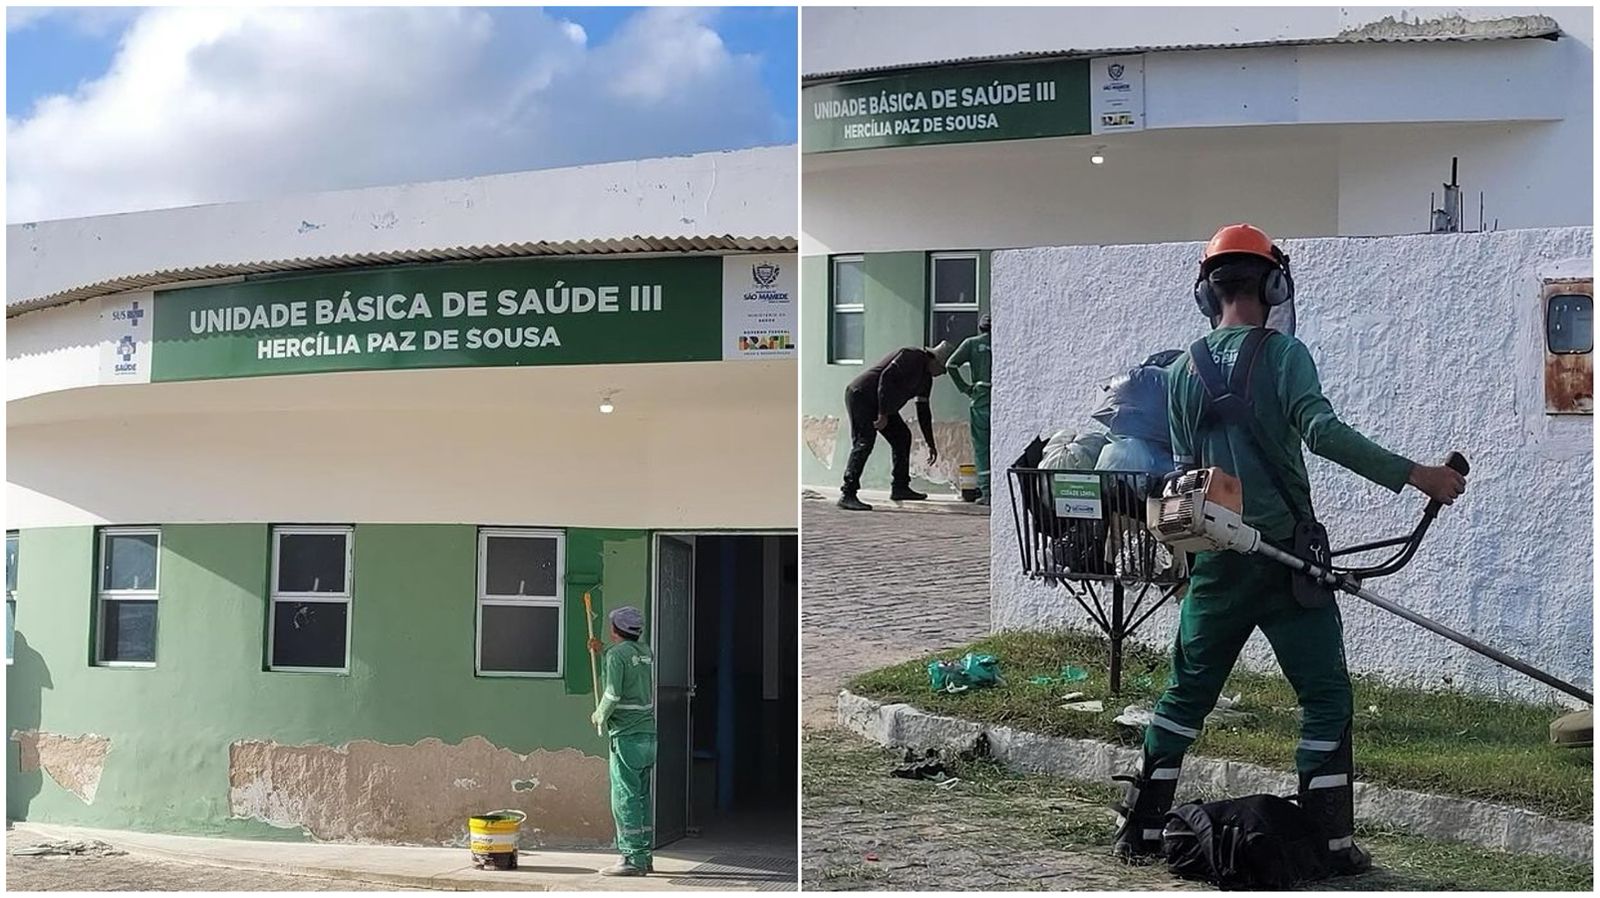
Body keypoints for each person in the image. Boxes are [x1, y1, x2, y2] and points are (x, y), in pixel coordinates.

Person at [1110, 224, 1467, 874]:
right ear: (1275, 286)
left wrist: (1188, 565)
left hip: (1216, 563)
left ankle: (1143, 829)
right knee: (1325, 698)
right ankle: (1331, 844)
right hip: (1288, 565)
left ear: (1206, 291)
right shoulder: (1284, 355)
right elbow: (1322, 432)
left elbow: (1187, 478)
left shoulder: (1181, 372)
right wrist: (1418, 474)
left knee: (1184, 697)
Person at [837, 340, 957, 511]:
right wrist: (882, 414)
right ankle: (847, 493)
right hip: (862, 396)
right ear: (935, 360)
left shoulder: (926, 380)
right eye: (942, 369)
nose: (942, 374)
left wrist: (931, 443)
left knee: (902, 437)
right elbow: (886, 377)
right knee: (864, 442)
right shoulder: (912, 356)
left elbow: (923, 411)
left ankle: (900, 487)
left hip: (883, 405)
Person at [588, 606, 656, 876]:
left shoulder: (617, 655)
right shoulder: (645, 652)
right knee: (641, 796)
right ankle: (645, 854)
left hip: (626, 736)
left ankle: (631, 857)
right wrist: (603, 650)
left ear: (615, 629)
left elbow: (613, 693)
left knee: (624, 797)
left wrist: (599, 715)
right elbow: (628, 659)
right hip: (648, 735)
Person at [946, 316, 993, 505]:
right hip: (1000, 400)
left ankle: (987, 491)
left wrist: (965, 388)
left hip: (980, 399)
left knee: (982, 448)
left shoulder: (971, 343)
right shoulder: (1003, 342)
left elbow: (951, 364)